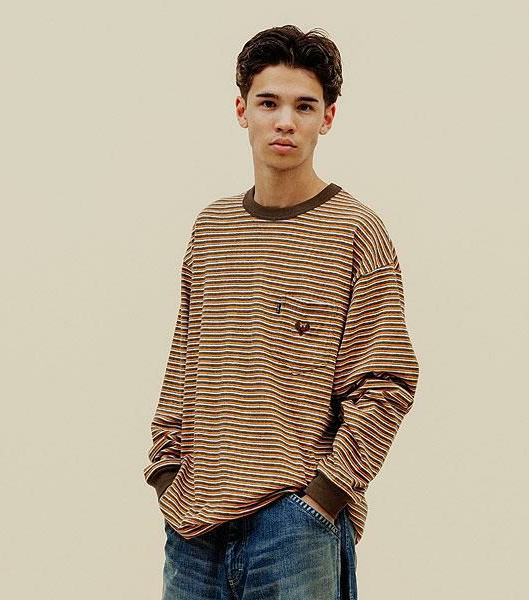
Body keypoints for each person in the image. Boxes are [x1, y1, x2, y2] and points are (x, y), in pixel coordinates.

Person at [143, 24, 419, 600]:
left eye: (304, 106)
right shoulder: (212, 229)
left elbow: (386, 380)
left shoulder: (355, 231)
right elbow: (185, 360)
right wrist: (166, 470)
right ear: (242, 110)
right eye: (269, 103)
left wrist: (324, 497)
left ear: (328, 118)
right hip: (193, 529)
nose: (285, 121)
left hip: (294, 530)